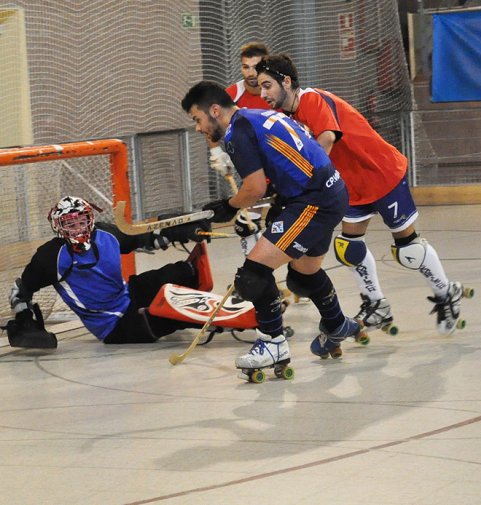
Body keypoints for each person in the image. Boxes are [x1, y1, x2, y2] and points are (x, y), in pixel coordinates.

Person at [256, 54, 465, 336]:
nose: (263, 93)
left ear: (287, 81)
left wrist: (305, 182)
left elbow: (327, 138)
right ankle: (377, 303)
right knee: (349, 249)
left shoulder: (311, 100)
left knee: (409, 250)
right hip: (352, 185)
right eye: (260, 87)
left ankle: (446, 292)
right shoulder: (288, 116)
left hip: (382, 173)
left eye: (268, 85)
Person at [181, 81, 365, 372]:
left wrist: (228, 207)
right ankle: (337, 324)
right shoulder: (255, 116)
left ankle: (272, 344)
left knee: (252, 276)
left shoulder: (238, 132)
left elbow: (253, 189)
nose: (197, 127)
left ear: (215, 110)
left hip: (313, 202)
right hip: (329, 191)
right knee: (303, 277)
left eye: (197, 119)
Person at [7, 196, 212, 345]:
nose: (78, 228)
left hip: (127, 295)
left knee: (183, 272)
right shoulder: (51, 256)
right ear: (58, 227)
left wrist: (178, 232)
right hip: (113, 325)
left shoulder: (106, 233)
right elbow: (20, 289)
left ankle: (215, 305)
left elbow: (144, 239)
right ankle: (219, 320)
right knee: (167, 315)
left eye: (81, 220)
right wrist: (24, 319)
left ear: (90, 218)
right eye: (70, 223)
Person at [208, 42, 273, 256]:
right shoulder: (231, 95)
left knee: (282, 227)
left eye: (256, 66)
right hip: (254, 170)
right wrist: (217, 152)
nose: (251, 72)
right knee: (246, 226)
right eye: (246, 67)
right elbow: (210, 124)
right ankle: (255, 280)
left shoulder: (275, 90)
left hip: (282, 166)